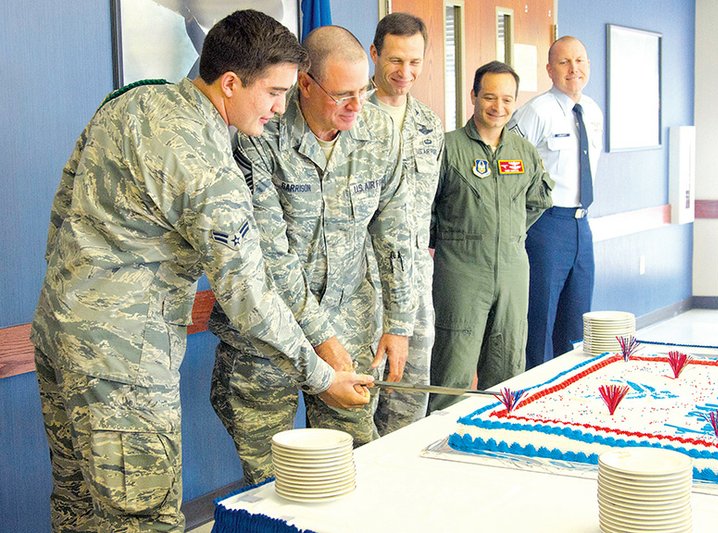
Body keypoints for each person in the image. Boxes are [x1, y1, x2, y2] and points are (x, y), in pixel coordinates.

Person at [30, 11, 372, 532]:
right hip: (125, 365)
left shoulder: (133, 102)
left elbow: (63, 213)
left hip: (59, 335)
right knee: (141, 518)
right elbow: (248, 295)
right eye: (274, 92)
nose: (281, 109)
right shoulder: (209, 165)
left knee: (78, 510)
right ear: (231, 83)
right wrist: (322, 376)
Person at [209, 25, 413, 484]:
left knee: (354, 467)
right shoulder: (259, 134)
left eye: (364, 90)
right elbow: (269, 256)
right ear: (305, 83)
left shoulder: (379, 133)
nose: (357, 106)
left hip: (352, 324)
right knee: (270, 482)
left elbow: (396, 234)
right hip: (268, 340)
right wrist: (322, 341)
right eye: (343, 94)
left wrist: (399, 323)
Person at [428, 61, 553, 412]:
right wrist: (456, 237)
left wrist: (507, 233)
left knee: (509, 365)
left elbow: (538, 200)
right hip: (461, 269)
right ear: (473, 96)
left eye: (507, 99)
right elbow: (426, 209)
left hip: (513, 267)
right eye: (489, 97)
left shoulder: (524, 152)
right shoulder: (448, 148)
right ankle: (437, 445)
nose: (498, 107)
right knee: (453, 369)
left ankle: (498, 440)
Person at [368, 13, 444, 435]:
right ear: (374, 53)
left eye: (415, 62)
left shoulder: (429, 124)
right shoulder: (350, 115)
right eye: (396, 60)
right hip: (365, 286)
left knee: (411, 396)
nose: (405, 72)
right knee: (364, 401)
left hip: (416, 283)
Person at [508, 36, 603, 369]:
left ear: (588, 65)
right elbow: (508, 162)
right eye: (564, 62)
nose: (573, 69)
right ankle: (536, 387)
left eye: (580, 60)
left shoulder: (591, 110)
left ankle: (569, 386)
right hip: (546, 226)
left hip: (582, 225)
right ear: (550, 69)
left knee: (578, 322)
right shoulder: (537, 111)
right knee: (541, 319)